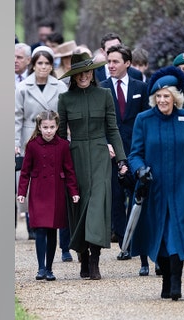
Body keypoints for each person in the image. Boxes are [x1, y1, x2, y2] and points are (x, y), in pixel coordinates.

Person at [127, 66, 184, 301]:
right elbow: (134, 154)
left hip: (181, 187)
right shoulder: (144, 120)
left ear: (175, 97)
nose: (162, 100)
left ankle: (176, 281)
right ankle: (165, 278)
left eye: (166, 96)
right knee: (158, 235)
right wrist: (140, 169)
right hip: (154, 188)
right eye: (158, 96)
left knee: (177, 234)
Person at [57, 52, 129, 280]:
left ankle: (95, 257)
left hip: (100, 155)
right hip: (75, 155)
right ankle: (83, 255)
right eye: (79, 73)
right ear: (74, 76)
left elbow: (113, 129)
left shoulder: (105, 95)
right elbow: (60, 136)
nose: (83, 77)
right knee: (78, 207)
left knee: (97, 204)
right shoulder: (65, 99)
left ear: (93, 72)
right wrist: (59, 166)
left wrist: (121, 159)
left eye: (87, 72)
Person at [99, 44, 151, 275]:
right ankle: (124, 243)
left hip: (135, 152)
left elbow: (146, 120)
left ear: (127, 63)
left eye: (115, 62)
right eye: (109, 62)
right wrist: (107, 144)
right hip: (110, 152)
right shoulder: (102, 88)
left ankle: (134, 241)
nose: (110, 65)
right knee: (115, 199)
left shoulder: (141, 87)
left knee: (136, 197)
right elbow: (100, 123)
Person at [17, 110, 80, 281]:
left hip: (56, 192)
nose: (48, 131)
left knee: (52, 231)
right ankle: (41, 268)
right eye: (45, 127)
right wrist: (21, 192)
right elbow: (25, 172)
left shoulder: (63, 145)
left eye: (52, 127)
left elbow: (69, 171)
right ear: (39, 127)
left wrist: (73, 191)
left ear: (57, 127)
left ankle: (50, 268)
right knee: (40, 231)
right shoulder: (32, 146)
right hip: (38, 192)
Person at [15, 46, 67, 241]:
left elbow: (64, 115)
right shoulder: (23, 88)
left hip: (54, 138)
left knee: (53, 183)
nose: (43, 67)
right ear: (33, 64)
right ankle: (33, 225)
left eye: (47, 63)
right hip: (30, 139)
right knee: (32, 183)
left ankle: (52, 225)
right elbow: (17, 117)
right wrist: (15, 142)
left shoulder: (60, 87)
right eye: (39, 63)